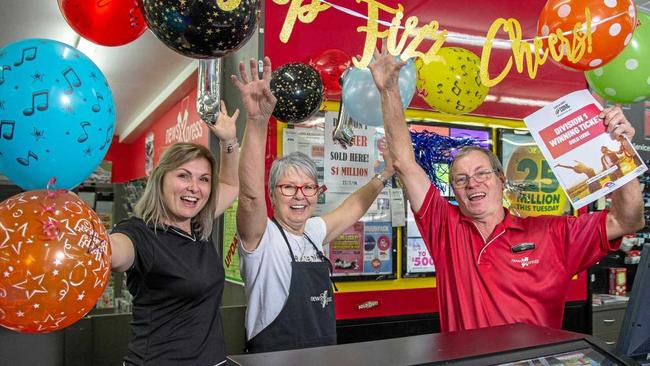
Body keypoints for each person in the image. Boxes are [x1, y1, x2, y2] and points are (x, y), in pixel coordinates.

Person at [368, 43, 644, 332]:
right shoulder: (446, 230)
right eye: (460, 179)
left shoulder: (553, 234)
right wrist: (389, 90)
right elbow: (404, 162)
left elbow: (627, 219)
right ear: (454, 190)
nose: (472, 183)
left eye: (481, 173)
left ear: (501, 180)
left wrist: (618, 149)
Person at [233, 57, 395, 352]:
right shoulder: (262, 238)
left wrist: (385, 173)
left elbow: (353, 208)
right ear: (272, 194)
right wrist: (257, 121)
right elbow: (249, 196)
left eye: (308, 187)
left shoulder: (313, 232)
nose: (300, 195)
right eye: (288, 187)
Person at [109, 101, 240, 366]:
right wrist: (86, 242)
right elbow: (115, 252)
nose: (194, 187)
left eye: (203, 179)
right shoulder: (140, 233)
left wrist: (229, 140)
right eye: (183, 176)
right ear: (161, 179)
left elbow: (229, 183)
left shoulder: (198, 226)